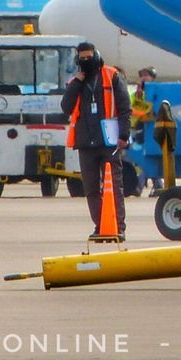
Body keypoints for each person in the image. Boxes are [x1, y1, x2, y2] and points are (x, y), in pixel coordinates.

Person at [60, 41, 130, 239]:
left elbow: (125, 108)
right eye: (81, 59)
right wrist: (77, 83)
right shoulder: (75, 82)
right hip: (85, 142)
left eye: (88, 57)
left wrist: (124, 134)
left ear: (96, 55)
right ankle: (100, 226)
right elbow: (66, 107)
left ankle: (118, 227)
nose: (85, 61)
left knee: (114, 186)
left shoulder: (112, 76)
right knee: (90, 188)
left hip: (109, 141)